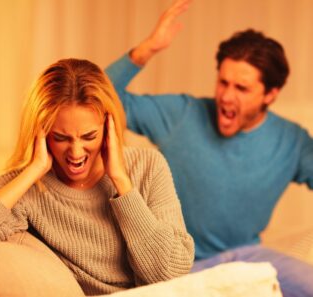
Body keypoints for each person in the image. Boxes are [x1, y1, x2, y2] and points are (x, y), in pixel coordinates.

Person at [105, 0, 313, 296]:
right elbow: (99, 100)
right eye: (223, 82)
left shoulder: (292, 141)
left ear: (271, 94)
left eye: (241, 88)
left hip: (249, 257)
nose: (226, 97)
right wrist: (147, 49)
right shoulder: (181, 114)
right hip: (182, 265)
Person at [0, 58, 194, 296]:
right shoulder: (27, 185)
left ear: (108, 126)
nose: (76, 152)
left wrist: (122, 183)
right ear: (42, 132)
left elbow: (172, 276)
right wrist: (34, 169)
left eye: (89, 136)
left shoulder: (148, 166)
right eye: (60, 138)